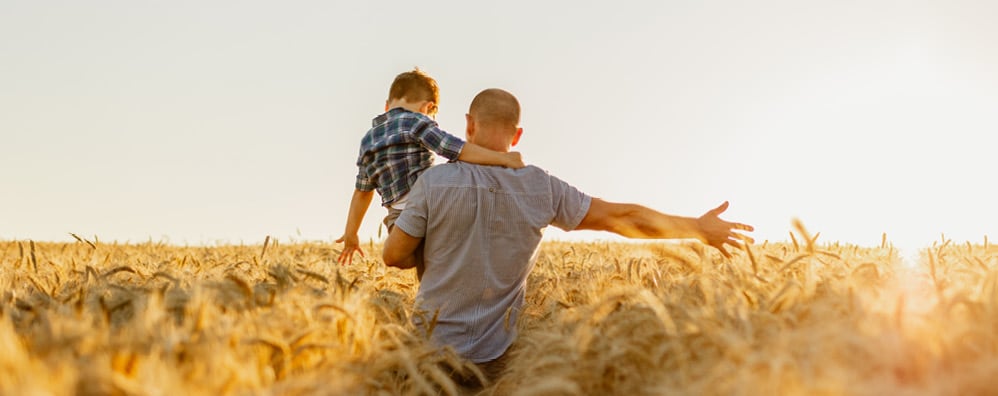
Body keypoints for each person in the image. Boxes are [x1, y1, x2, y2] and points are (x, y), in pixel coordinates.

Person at [382, 88, 754, 386]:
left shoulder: (433, 183)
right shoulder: (541, 187)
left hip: (428, 360)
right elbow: (621, 217)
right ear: (518, 134)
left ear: (468, 125)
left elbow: (394, 257)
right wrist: (697, 228)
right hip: (499, 367)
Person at [336, 69, 525, 265]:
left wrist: (351, 234)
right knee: (444, 254)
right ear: (428, 107)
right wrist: (503, 159)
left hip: (399, 217)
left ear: (387, 106)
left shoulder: (368, 139)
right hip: (434, 203)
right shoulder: (417, 121)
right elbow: (454, 148)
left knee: (398, 259)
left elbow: (362, 191)